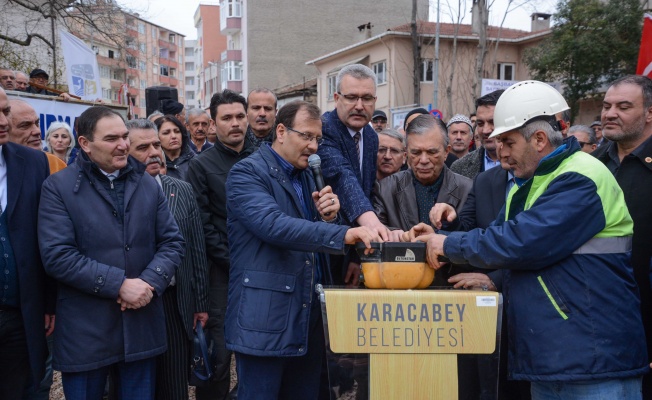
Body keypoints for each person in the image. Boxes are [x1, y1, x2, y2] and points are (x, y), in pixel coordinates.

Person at [412, 80, 648, 399]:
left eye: (508, 142)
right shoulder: (531, 184)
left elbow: (521, 242)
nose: (501, 153)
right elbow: (496, 237)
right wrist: (443, 234)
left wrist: (447, 246)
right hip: (557, 354)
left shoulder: (581, 178)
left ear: (538, 139)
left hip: (592, 359)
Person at [225, 100, 379, 400]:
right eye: (306, 136)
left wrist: (328, 215)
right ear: (281, 132)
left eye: (318, 139)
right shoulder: (247, 173)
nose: (313, 146)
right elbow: (274, 226)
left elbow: (309, 233)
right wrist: (343, 233)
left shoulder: (308, 174)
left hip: (306, 315)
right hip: (265, 319)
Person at [38, 106, 185, 400]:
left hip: (140, 323)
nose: (122, 145)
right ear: (84, 144)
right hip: (86, 330)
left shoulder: (145, 183)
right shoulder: (59, 187)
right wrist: (119, 284)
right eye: (111, 139)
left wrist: (149, 283)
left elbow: (172, 242)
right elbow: (58, 255)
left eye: (124, 137)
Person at [126, 118, 210, 400]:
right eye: (142, 147)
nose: (153, 153)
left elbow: (196, 249)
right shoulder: (117, 194)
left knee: (174, 385)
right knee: (134, 384)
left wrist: (200, 303)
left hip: (175, 302)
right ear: (124, 150)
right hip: (131, 305)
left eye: (156, 145)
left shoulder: (181, 189)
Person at [187, 89, 254, 400]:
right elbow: (201, 226)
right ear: (213, 124)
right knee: (218, 356)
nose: (235, 123)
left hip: (262, 270)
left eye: (240, 116)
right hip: (221, 274)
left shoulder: (264, 158)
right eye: (226, 118)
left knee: (256, 354)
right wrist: (234, 260)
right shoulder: (201, 166)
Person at [592, 74, 652, 399]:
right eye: (606, 106)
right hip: (596, 326)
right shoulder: (589, 164)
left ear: (649, 113)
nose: (609, 113)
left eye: (623, 106)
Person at [373, 114, 472, 286]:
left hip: (452, 289)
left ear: (447, 151)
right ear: (406, 153)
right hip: (399, 286)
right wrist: (397, 236)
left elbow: (475, 240)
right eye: (416, 152)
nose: (423, 160)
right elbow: (375, 236)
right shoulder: (385, 188)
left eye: (432, 152)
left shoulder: (468, 189)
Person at [0, 87, 54, 398]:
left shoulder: (34, 163)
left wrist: (47, 302)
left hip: (20, 316)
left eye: (6, 111)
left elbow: (45, 236)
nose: (3, 121)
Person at [318, 64, 390, 287]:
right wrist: (372, 225)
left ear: (375, 101)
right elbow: (342, 177)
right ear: (336, 97)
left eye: (367, 98)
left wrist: (358, 256)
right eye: (351, 97)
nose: (359, 106)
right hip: (322, 246)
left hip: (353, 247)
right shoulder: (324, 129)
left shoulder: (370, 135)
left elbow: (365, 191)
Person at [450, 90, 504, 179]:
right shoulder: (459, 167)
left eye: (492, 122)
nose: (485, 130)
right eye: (480, 123)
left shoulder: (526, 165)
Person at [7, 99, 67, 174]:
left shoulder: (55, 164)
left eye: (37, 123)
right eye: (25, 125)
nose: (37, 131)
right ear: (5, 130)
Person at [156, 115, 195, 181]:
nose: (173, 136)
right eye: (166, 133)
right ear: (156, 137)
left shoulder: (195, 162)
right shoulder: (154, 164)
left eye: (177, 131)